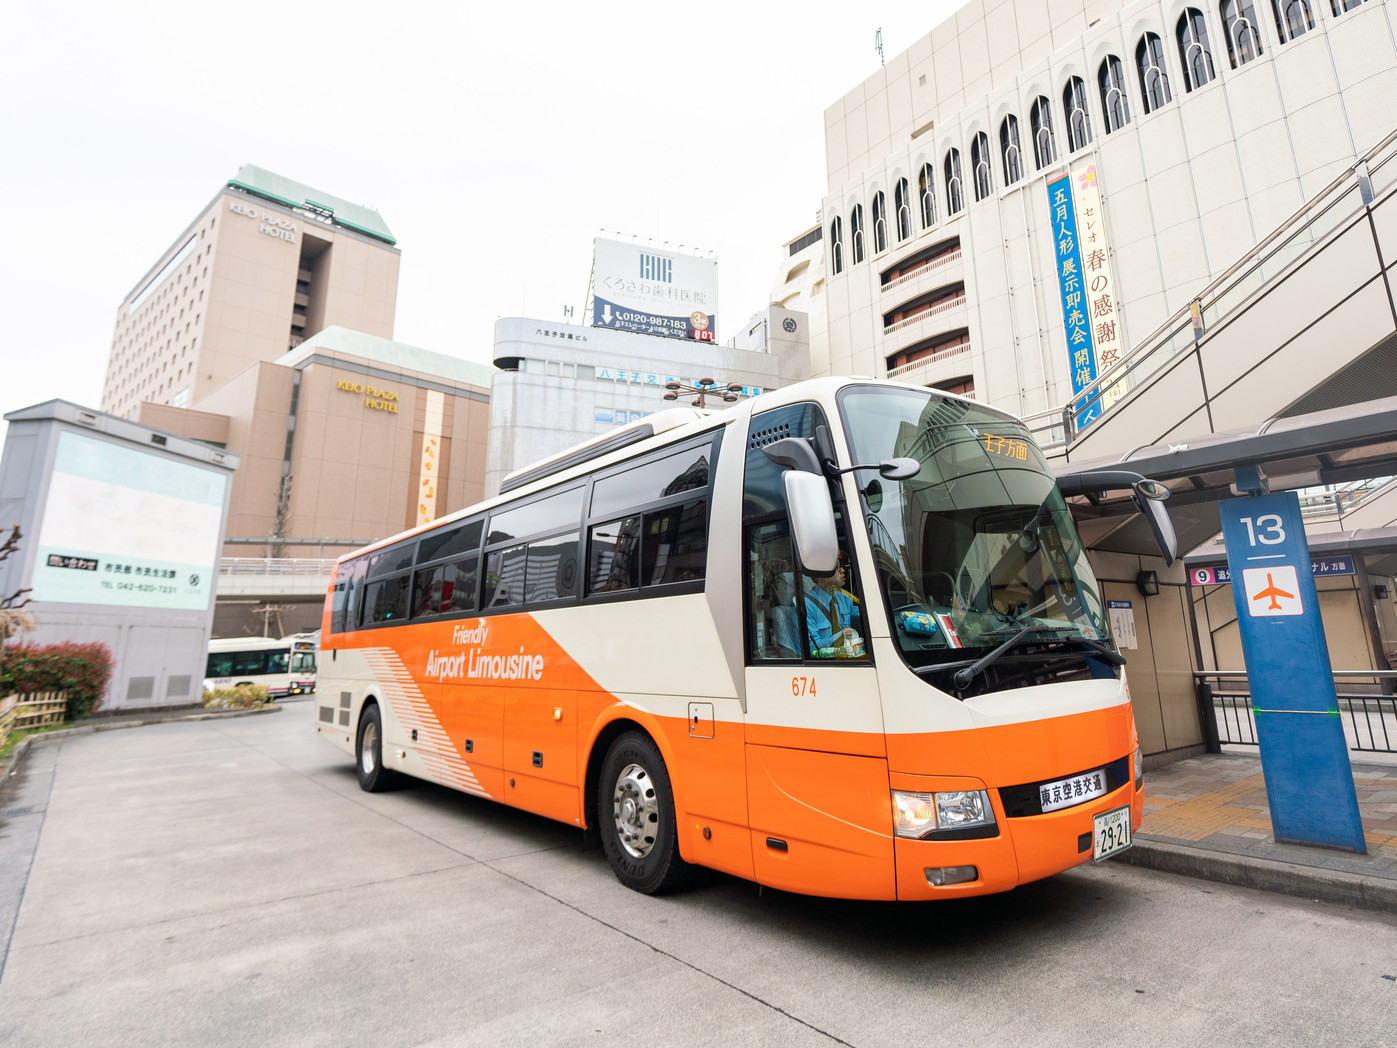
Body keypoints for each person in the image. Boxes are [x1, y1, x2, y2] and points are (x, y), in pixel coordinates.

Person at [805, 557, 864, 657]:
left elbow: (862, 623)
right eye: (837, 568)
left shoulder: (846, 599)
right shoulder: (806, 603)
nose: (842, 571)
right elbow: (811, 649)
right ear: (822, 574)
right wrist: (842, 636)